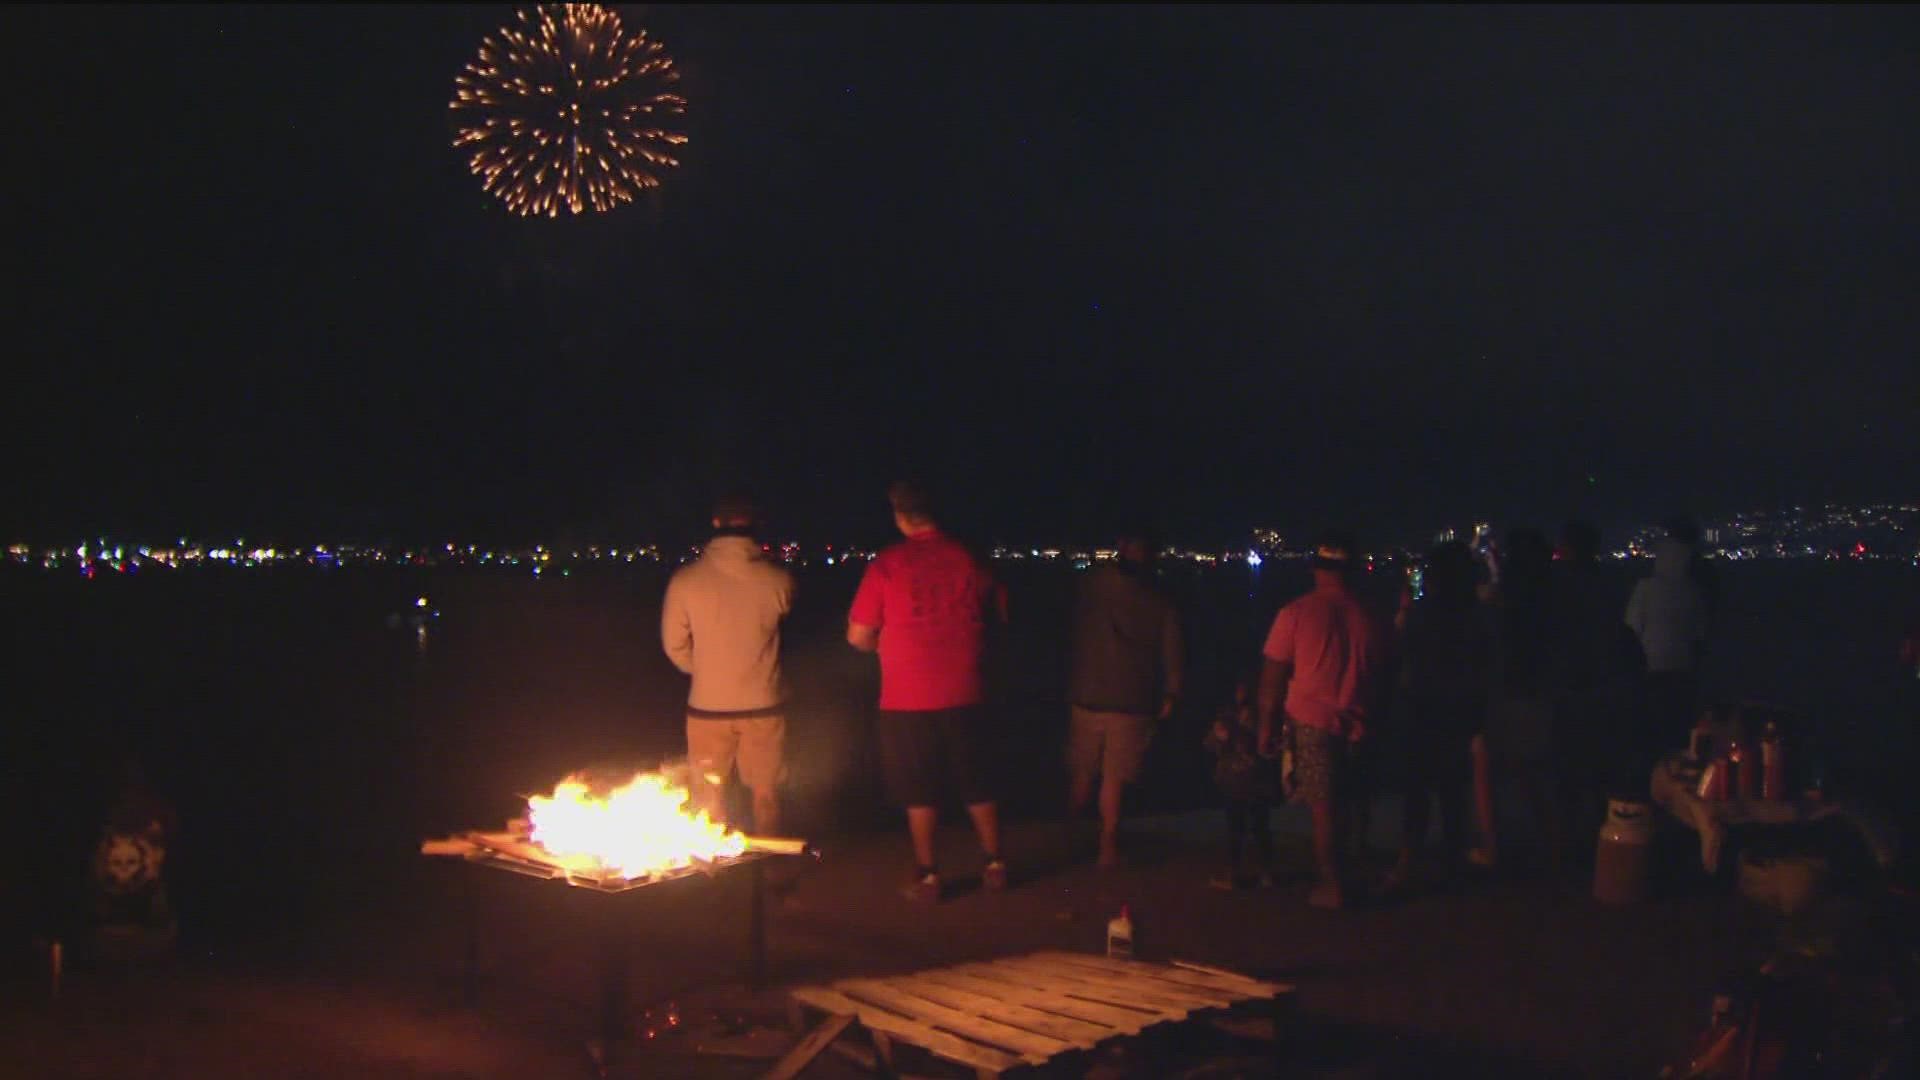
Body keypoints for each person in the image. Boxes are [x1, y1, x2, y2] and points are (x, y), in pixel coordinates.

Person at [847, 480, 1009, 902]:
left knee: (918, 787)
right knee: (979, 780)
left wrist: (884, 642)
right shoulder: (969, 558)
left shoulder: (887, 564)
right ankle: (994, 863)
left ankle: (929, 874)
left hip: (907, 697)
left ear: (901, 517)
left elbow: (859, 635)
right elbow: (999, 614)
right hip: (966, 688)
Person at [1257, 531, 1390, 910]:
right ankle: (1350, 873)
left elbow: (1273, 674)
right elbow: (1385, 671)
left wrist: (1266, 725)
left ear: (1316, 568)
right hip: (1361, 717)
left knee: (1323, 809)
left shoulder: (1296, 613)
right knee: (1352, 803)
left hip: (1312, 720)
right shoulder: (1371, 616)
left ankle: (1333, 885)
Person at [661, 493, 796, 836]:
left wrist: (706, 670)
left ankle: (719, 880)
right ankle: (773, 874)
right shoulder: (779, 580)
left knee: (710, 797)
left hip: (708, 706)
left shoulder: (685, 581)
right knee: (766, 795)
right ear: (756, 527)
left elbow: (674, 645)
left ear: (715, 525)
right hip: (764, 704)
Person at [1065, 526, 1184, 869]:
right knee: (1114, 780)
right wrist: (1172, 692)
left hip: (1086, 693)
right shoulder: (1160, 600)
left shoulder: (1090, 586)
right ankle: (1107, 848)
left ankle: (1071, 838)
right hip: (1132, 697)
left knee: (1082, 774)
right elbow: (1173, 652)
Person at [1388, 541, 1492, 892]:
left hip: (1423, 707)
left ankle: (1408, 863)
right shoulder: (1476, 616)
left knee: (1417, 792)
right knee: (1452, 792)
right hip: (1461, 709)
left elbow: (1401, 657)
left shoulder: (1422, 615)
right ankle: (1454, 864)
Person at [1480, 527, 1563, 871]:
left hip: (1509, 690)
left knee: (1487, 763)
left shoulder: (1503, 599)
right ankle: (1552, 845)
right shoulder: (1553, 597)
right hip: (1544, 690)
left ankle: (1493, 846)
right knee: (1537, 772)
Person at [1625, 530, 1708, 774]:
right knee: (1676, 735)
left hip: (1649, 672)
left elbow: (1631, 629)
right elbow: (1699, 635)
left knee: (1651, 736)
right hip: (1682, 673)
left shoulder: (1646, 589)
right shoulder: (1692, 591)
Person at [1206, 676, 1277, 889]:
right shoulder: (1227, 715)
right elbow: (1210, 743)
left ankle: (1265, 873)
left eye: (1245, 687)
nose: (1241, 692)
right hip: (1234, 782)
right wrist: (1218, 736)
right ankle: (1234, 874)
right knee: (1236, 828)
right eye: (1238, 687)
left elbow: (1273, 745)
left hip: (1257, 782)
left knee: (1259, 827)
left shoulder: (1264, 716)